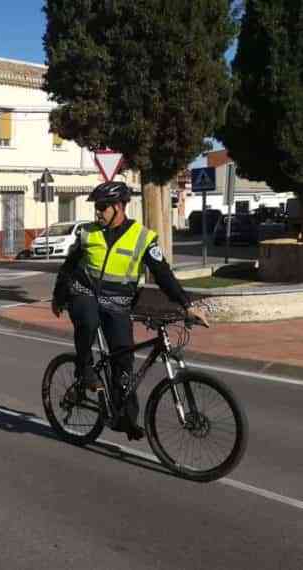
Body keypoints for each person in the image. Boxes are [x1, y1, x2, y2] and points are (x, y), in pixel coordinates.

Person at [51, 181, 209, 441]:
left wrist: (186, 305)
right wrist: (58, 296)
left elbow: (162, 273)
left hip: (118, 303)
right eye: (96, 207)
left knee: (123, 362)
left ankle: (125, 418)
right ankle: (84, 370)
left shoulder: (142, 237)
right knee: (88, 319)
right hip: (84, 292)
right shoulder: (87, 233)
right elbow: (68, 266)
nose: (98, 212)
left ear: (119, 207)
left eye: (102, 207)